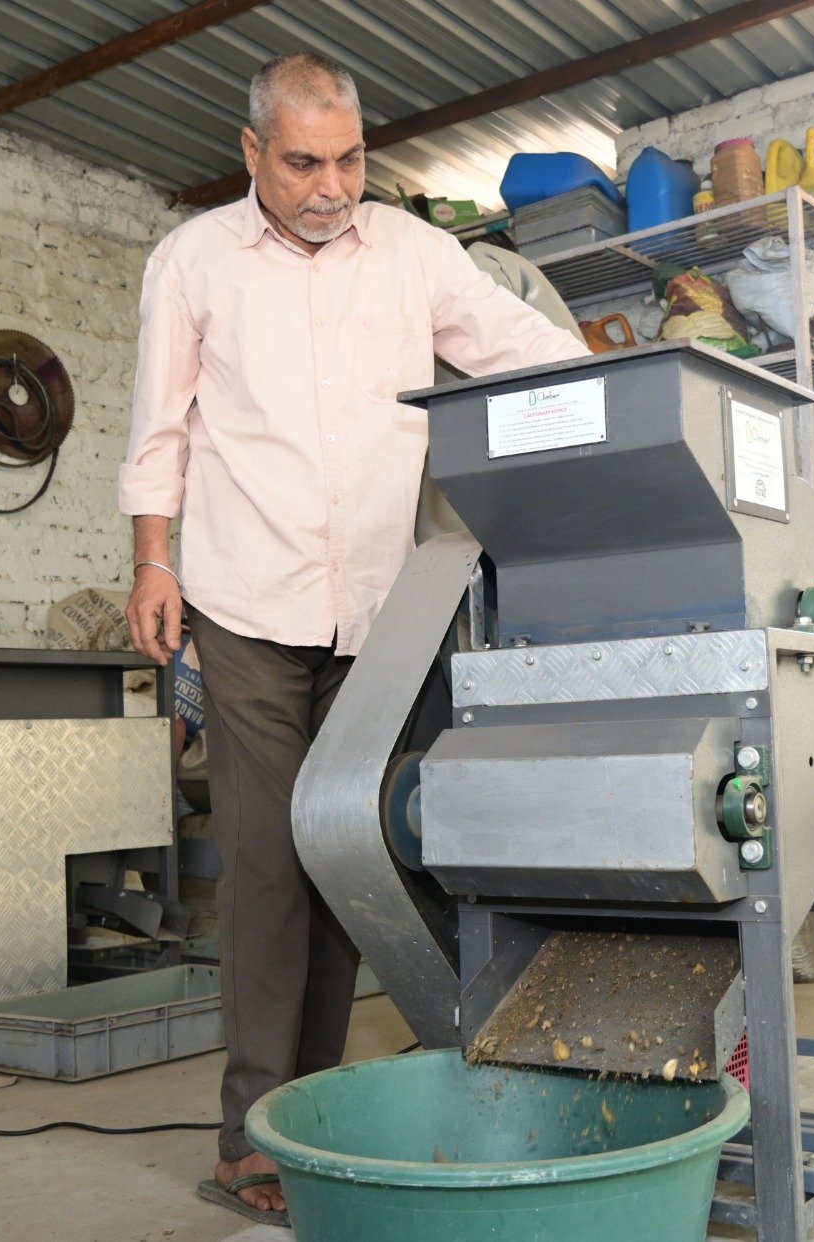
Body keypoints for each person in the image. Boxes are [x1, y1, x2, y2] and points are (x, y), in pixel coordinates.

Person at [119, 51, 588, 1227]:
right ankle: (249, 1138)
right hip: (245, 600)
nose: (332, 187)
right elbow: (158, 426)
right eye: (303, 163)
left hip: (380, 608)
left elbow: (518, 346)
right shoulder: (193, 261)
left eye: (350, 160)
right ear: (251, 154)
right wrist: (152, 560)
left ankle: (313, 1115)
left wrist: (639, 384)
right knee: (267, 865)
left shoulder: (416, 254)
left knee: (350, 855)